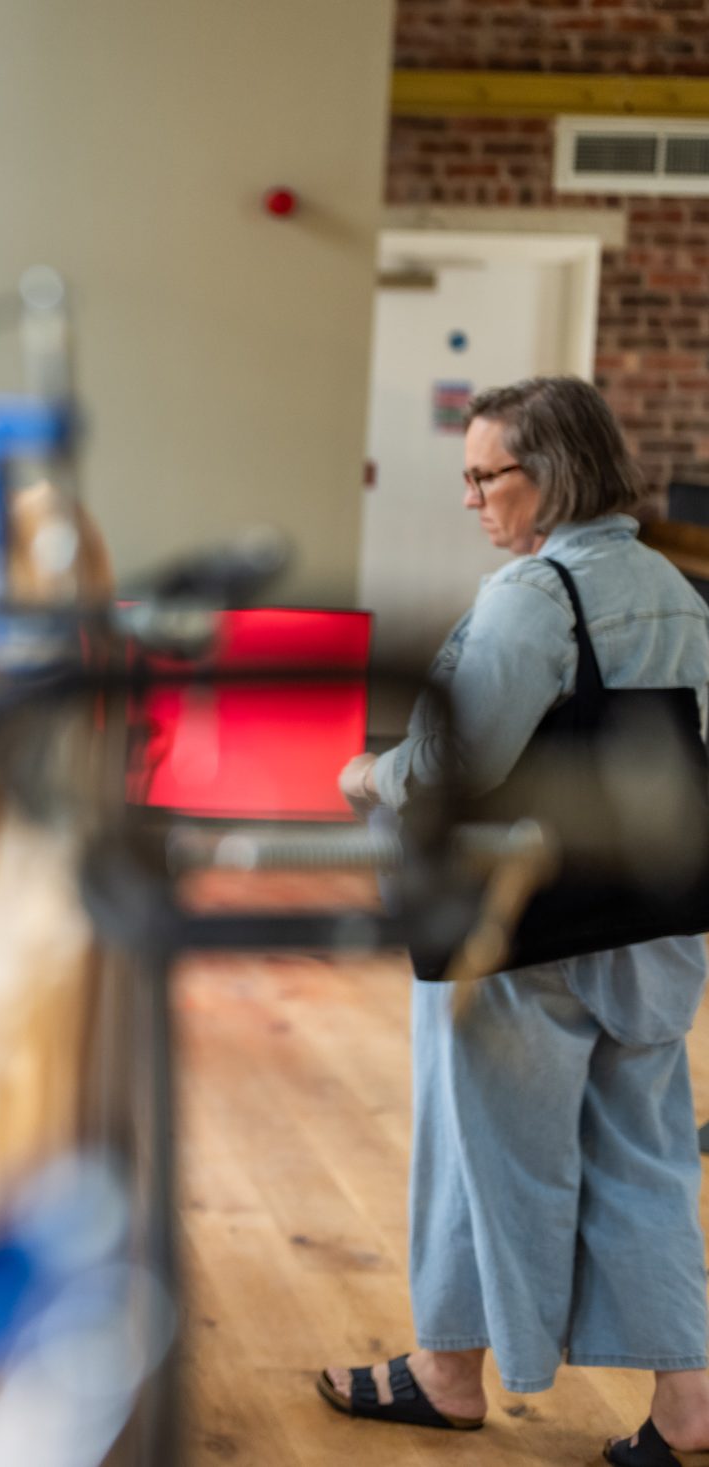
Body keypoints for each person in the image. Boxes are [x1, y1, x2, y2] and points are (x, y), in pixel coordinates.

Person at [322, 377, 709, 1467]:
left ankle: (448, 1373)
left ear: (550, 476)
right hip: (655, 931)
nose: (471, 499)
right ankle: (689, 1405)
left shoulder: (529, 599)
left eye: (485, 475)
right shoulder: (683, 596)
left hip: (522, 931)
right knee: (646, 1160)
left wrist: (366, 771)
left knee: (482, 1154)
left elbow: (453, 766)